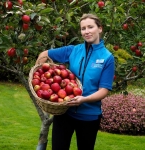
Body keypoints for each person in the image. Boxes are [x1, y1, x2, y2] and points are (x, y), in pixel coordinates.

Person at [35, 13, 115, 150]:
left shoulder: (107, 58)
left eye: (90, 27)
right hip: (65, 113)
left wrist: (83, 99)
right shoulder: (73, 50)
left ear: (100, 29)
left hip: (89, 116)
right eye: (83, 28)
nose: (86, 31)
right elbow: (45, 54)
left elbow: (104, 90)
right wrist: (40, 75)